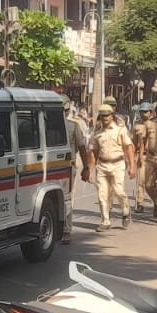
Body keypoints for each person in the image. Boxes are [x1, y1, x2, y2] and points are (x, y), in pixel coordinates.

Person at [88, 104, 134, 230]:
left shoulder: (120, 130)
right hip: (102, 165)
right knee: (102, 194)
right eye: (102, 116)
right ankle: (105, 221)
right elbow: (93, 153)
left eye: (107, 115)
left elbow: (128, 147)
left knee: (119, 191)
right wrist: (90, 170)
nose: (105, 118)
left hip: (117, 164)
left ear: (112, 116)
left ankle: (126, 211)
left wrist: (132, 166)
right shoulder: (97, 133)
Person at [63, 100, 90, 244]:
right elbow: (82, 148)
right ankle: (63, 229)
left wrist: (86, 167)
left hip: (66, 167)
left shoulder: (73, 126)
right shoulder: (47, 125)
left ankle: (66, 229)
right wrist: (86, 168)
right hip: (55, 167)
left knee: (66, 198)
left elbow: (81, 147)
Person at [130, 102, 153, 209]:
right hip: (141, 156)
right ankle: (140, 202)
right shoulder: (137, 125)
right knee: (141, 180)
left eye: (146, 112)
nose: (144, 114)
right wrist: (133, 157)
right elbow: (133, 142)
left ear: (151, 112)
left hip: (153, 156)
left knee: (151, 182)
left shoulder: (155, 125)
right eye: (142, 112)